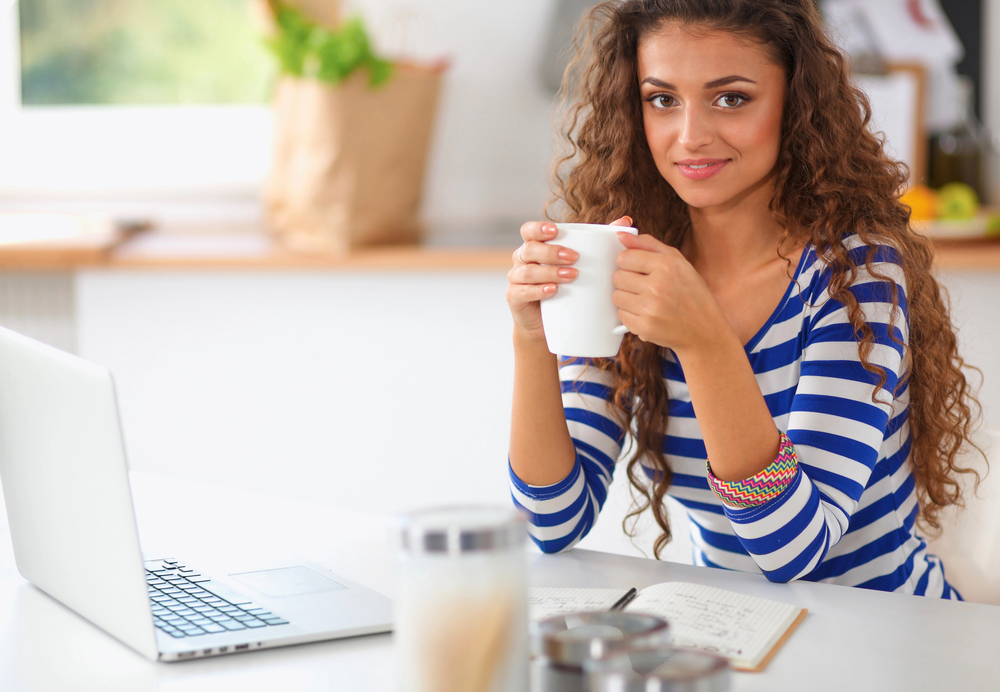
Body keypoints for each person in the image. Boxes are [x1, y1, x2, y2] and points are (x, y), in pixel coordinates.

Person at [505, 0, 982, 598]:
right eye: (662, 99)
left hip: (891, 635)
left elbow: (794, 548)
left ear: (796, 103)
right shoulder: (629, 267)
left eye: (731, 98)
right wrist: (533, 340)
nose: (691, 136)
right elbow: (550, 523)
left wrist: (704, 341)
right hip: (735, 636)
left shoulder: (854, 272)